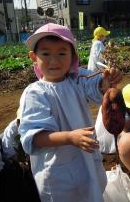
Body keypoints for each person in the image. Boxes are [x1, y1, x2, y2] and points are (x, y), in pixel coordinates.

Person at [19, 23, 122, 202]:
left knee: (92, 190)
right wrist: (69, 138)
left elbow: (95, 86)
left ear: (73, 56)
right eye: (45, 54)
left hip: (86, 161)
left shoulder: (77, 79)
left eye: (62, 53)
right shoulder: (35, 92)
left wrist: (107, 82)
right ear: (33, 57)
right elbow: (34, 137)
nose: (54, 61)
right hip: (57, 171)